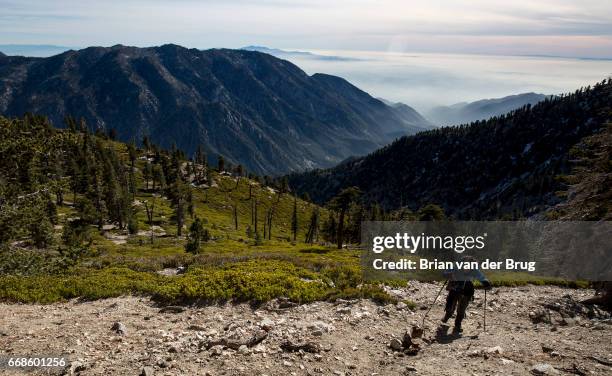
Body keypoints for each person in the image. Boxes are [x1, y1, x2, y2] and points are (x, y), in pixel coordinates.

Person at [441, 257, 492, 335]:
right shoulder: (456, 266)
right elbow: (445, 273)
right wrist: (448, 274)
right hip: (455, 288)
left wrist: (486, 283)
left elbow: (481, 277)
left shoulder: (474, 269)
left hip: (467, 291)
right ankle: (447, 316)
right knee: (450, 306)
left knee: (461, 309)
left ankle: (458, 325)